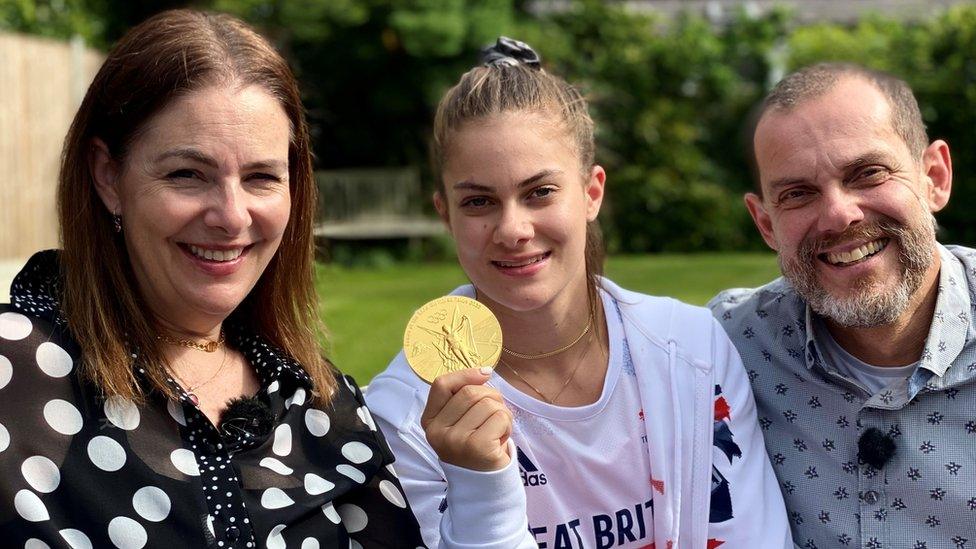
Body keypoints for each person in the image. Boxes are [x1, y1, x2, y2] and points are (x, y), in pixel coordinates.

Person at [0, 9, 425, 548]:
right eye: (187, 175)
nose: (231, 215)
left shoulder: (318, 401)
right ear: (109, 176)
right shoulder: (14, 371)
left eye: (261, 177)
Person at [365, 37, 791, 549]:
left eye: (539, 192)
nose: (513, 229)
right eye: (479, 202)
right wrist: (479, 484)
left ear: (592, 192)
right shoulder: (407, 409)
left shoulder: (690, 350)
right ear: (446, 215)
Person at [708, 62, 975, 548]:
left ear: (935, 176)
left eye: (868, 173)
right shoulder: (722, 345)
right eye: (798, 194)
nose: (837, 215)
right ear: (766, 224)